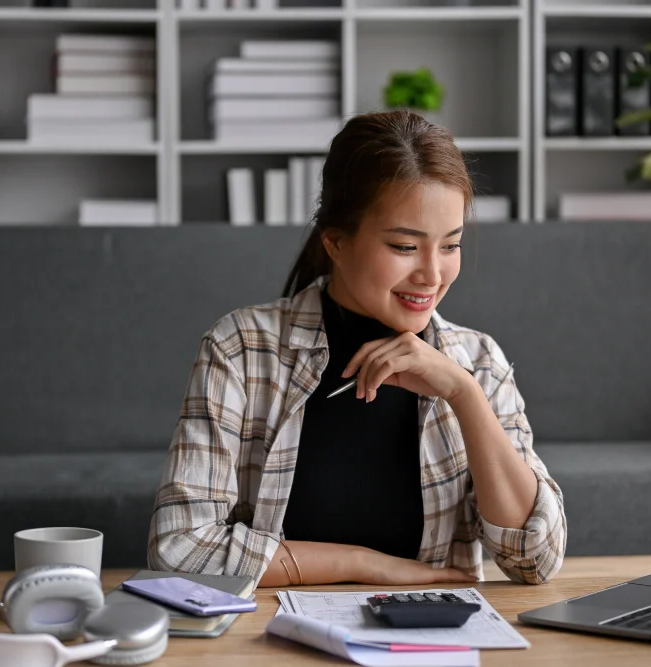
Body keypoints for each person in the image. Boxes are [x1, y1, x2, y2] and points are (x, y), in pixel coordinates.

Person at [147, 109, 566, 588]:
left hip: (428, 645)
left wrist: (464, 394)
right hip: (271, 642)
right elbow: (179, 548)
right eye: (405, 247)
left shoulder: (478, 363)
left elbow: (534, 560)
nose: (432, 275)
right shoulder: (242, 349)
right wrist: (365, 565)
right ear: (336, 242)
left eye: (450, 246)